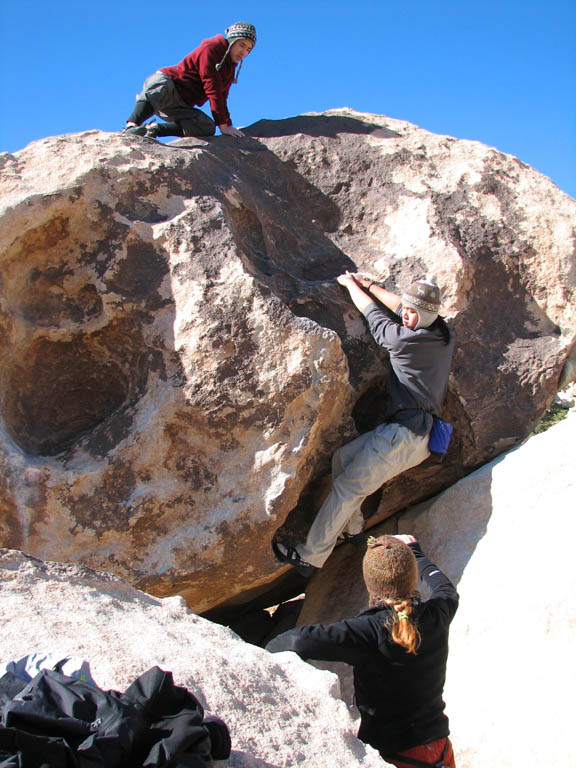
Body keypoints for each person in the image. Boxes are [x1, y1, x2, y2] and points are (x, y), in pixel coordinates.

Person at [273, 272, 454, 578]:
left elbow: (372, 313)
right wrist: (370, 284)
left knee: (345, 490)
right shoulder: (441, 332)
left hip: (402, 438)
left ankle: (310, 557)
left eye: (414, 314)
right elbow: (399, 304)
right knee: (342, 460)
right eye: (407, 312)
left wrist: (351, 286)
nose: (407, 317)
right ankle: (353, 525)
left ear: (426, 316)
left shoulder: (403, 340)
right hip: (414, 437)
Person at [266, 534, 458, 768]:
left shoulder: (367, 631)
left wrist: (263, 655)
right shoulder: (437, 615)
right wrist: (416, 552)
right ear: (412, 578)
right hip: (441, 751)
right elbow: (445, 589)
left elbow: (297, 641)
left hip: (394, 757)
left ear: (370, 584)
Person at [122, 22, 256, 139]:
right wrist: (223, 125)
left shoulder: (230, 68)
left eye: (248, 49)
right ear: (232, 40)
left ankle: (154, 130)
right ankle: (131, 126)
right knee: (160, 83)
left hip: (182, 106)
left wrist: (228, 125)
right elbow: (212, 87)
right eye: (241, 45)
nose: (244, 52)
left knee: (207, 127)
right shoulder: (213, 47)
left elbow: (222, 96)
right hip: (169, 89)